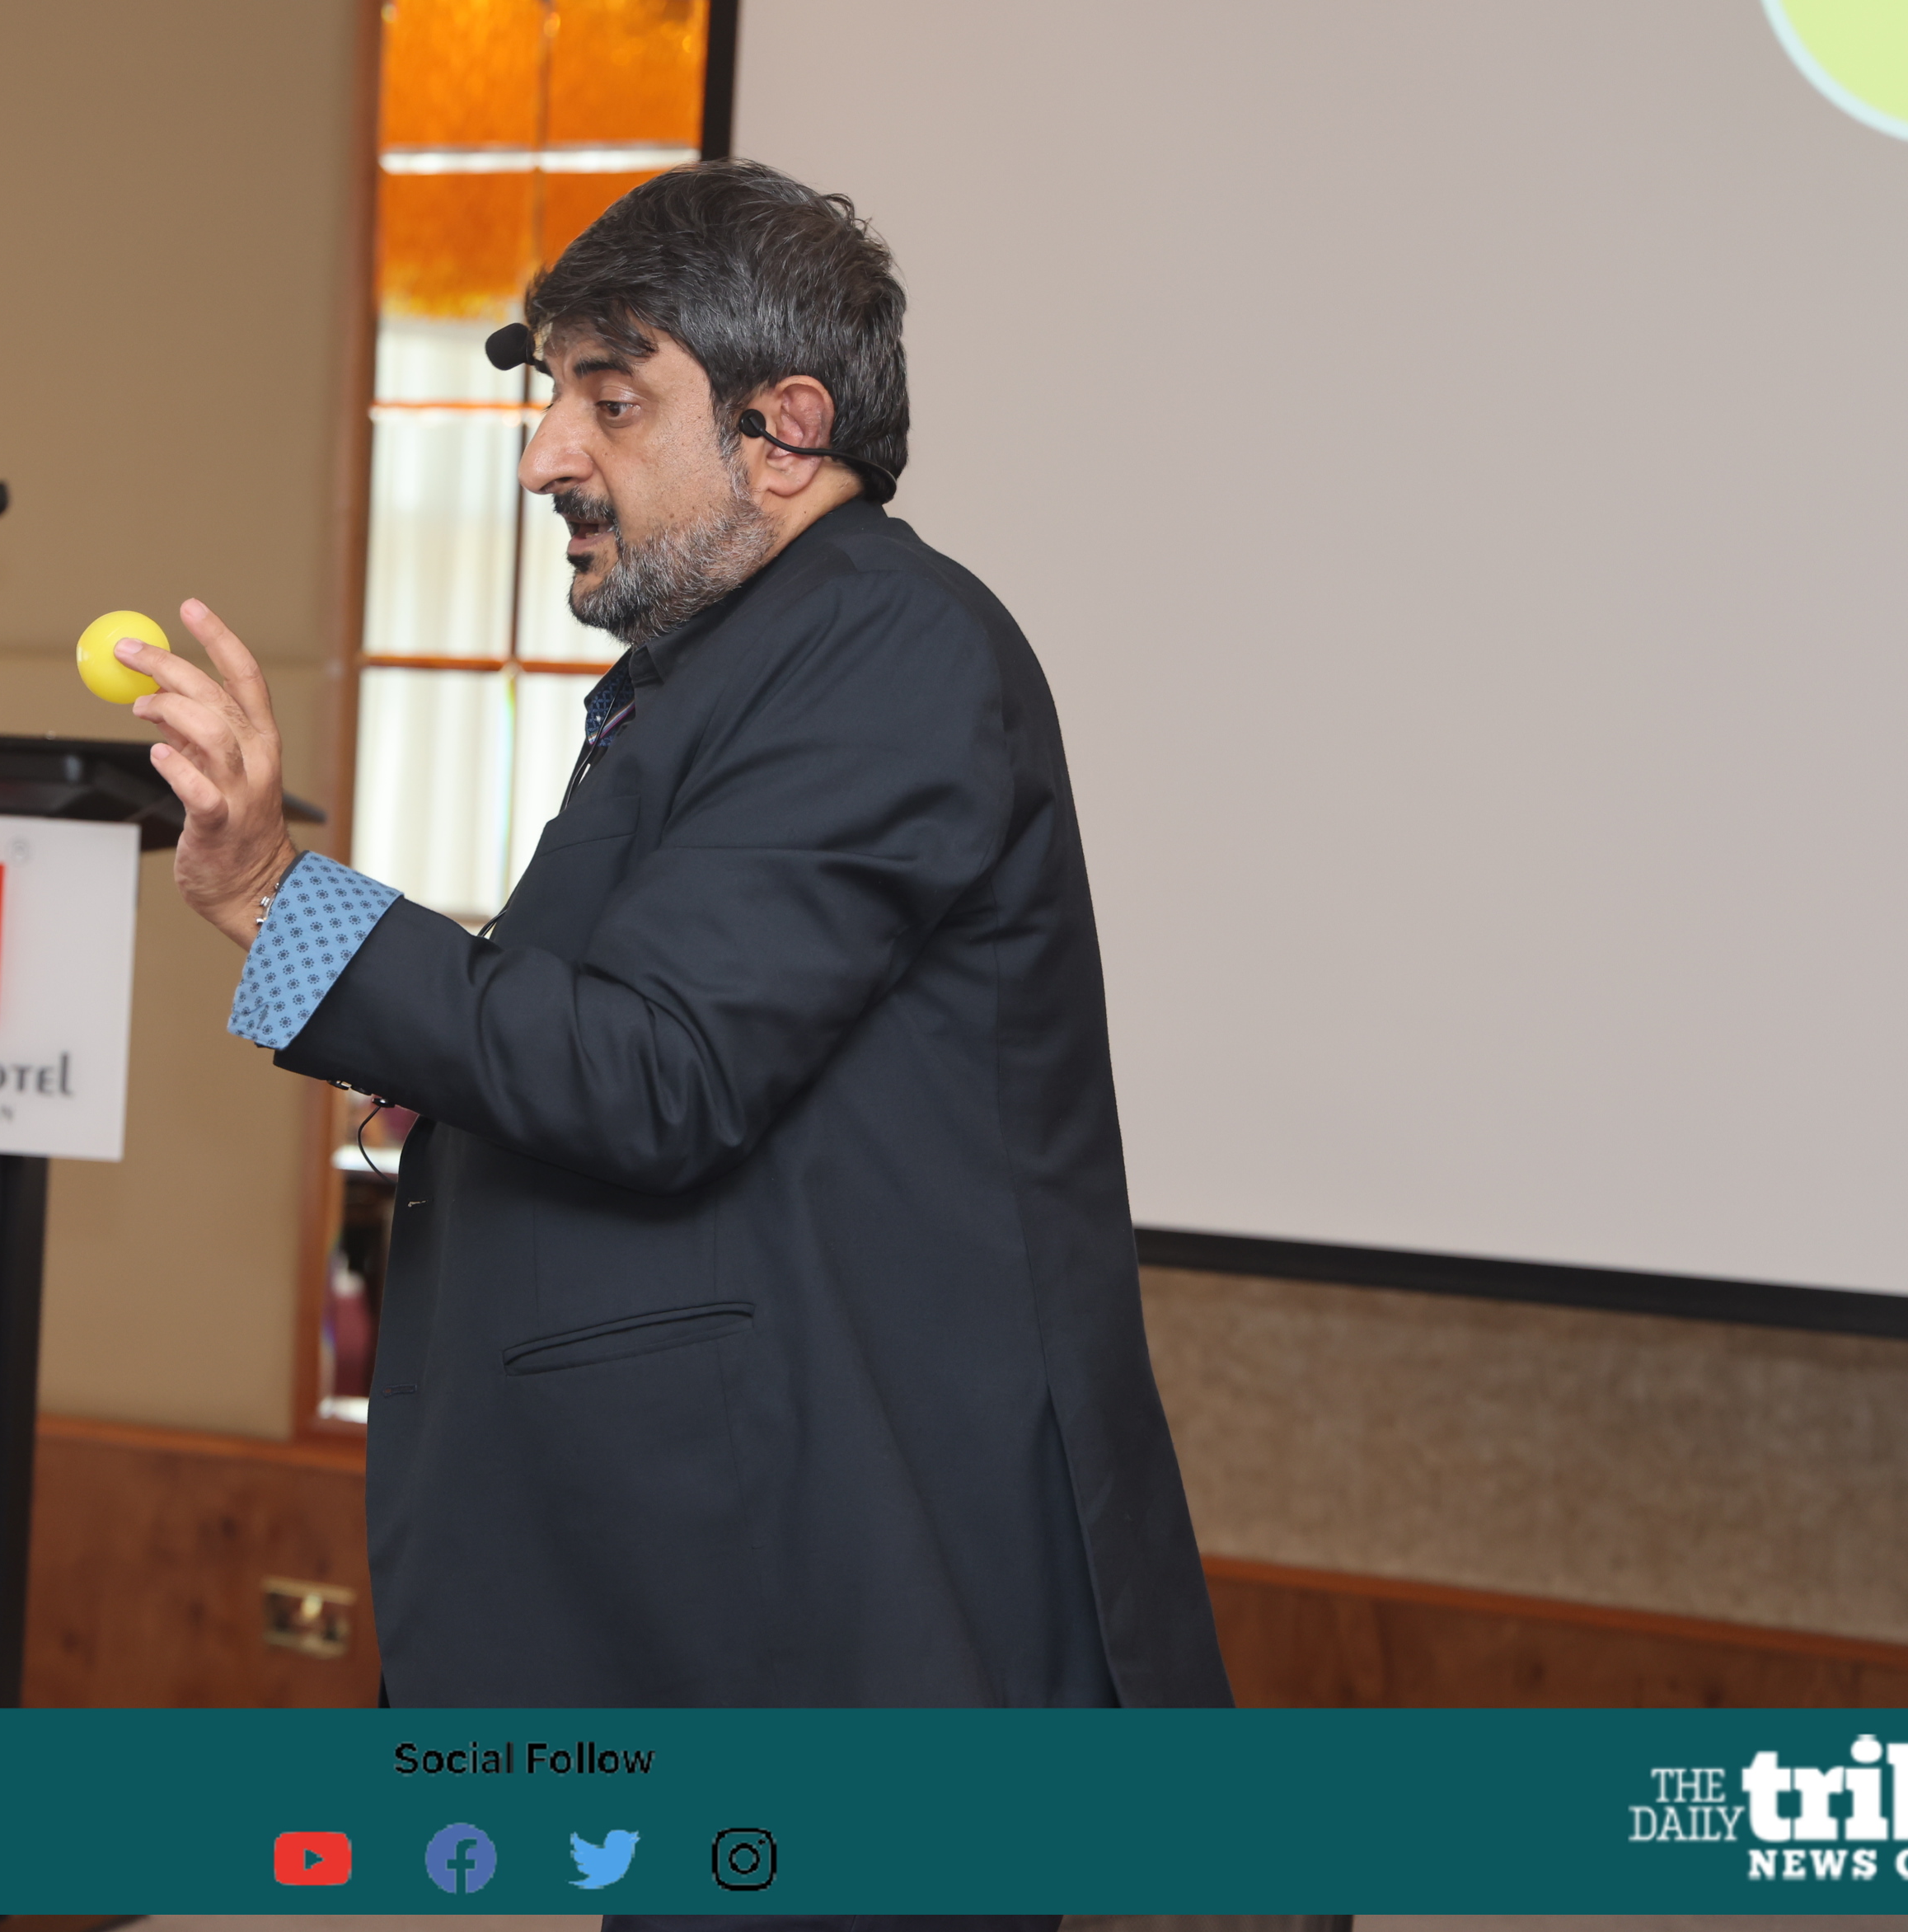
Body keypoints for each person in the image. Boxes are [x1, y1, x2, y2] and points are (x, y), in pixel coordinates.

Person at [118, 160, 1229, 1713]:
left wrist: (270, 899)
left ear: (786, 431)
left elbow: (657, 1073)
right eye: (552, 397)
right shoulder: (734, 665)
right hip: (695, 1589)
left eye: (614, 402)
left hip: (841, 1612)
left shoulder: (885, 640)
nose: (545, 458)